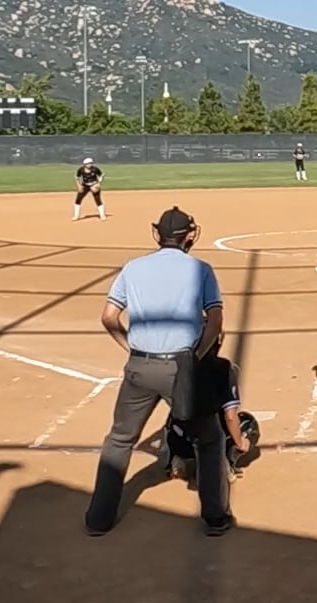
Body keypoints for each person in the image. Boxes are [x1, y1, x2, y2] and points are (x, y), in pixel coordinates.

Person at [87, 207, 233, 537]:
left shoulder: (133, 267)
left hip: (139, 365)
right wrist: (195, 357)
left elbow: (109, 317)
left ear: (158, 234)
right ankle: (214, 517)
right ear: (188, 236)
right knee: (209, 439)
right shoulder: (201, 269)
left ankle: (98, 519)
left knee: (119, 439)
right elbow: (215, 322)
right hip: (181, 367)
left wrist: (130, 347)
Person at [164, 333, 259, 485]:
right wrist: (240, 442)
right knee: (247, 422)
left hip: (179, 440)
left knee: (177, 415)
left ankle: (176, 459)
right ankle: (224, 462)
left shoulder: (178, 365)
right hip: (208, 439)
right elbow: (230, 416)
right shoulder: (223, 368)